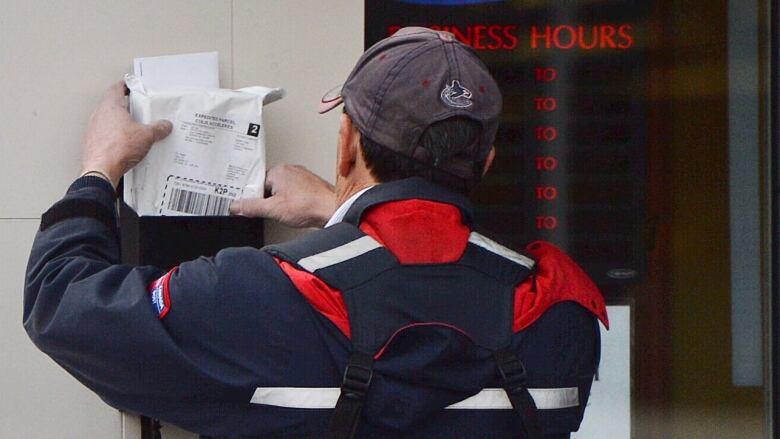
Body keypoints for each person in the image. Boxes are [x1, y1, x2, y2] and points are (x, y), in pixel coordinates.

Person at [24, 27, 608, 438]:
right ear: (484, 163)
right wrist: (341, 213)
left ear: (347, 141)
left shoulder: (257, 298)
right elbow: (434, 292)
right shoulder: (563, 316)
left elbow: (62, 303)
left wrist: (97, 172)